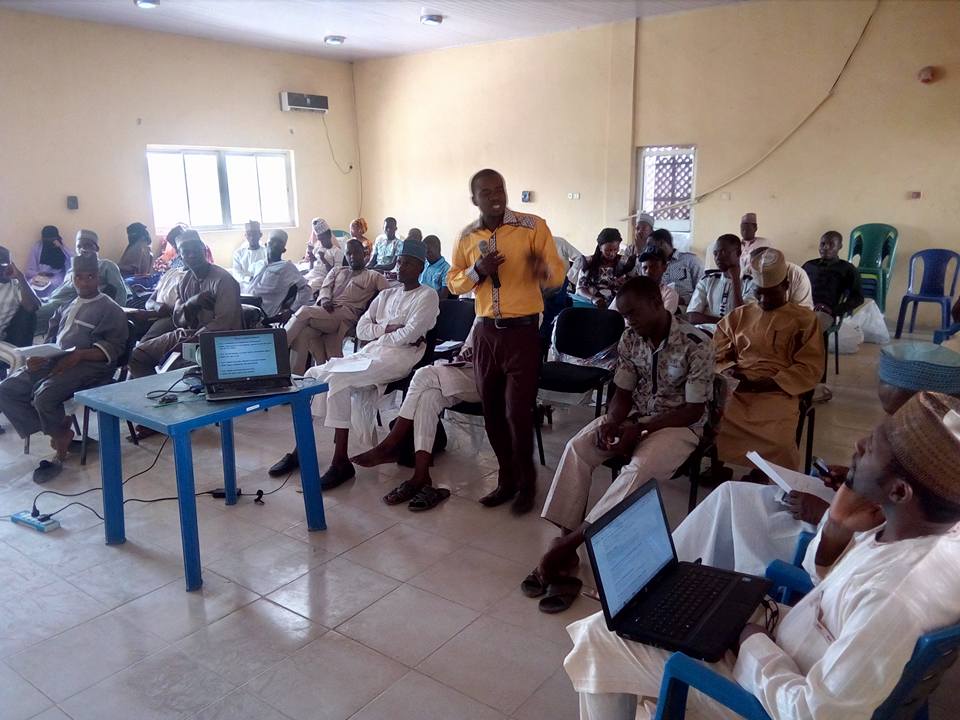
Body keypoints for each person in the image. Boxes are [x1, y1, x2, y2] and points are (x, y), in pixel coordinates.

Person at [565, 391, 960, 720]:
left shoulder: (895, 598)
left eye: (872, 447)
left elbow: (813, 713)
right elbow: (840, 593)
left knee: (600, 635)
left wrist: (751, 639)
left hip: (766, 694)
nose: (857, 446)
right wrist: (837, 525)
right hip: (785, 645)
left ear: (899, 492)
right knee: (664, 607)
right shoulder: (929, 537)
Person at [673, 340, 960, 577]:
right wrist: (860, 477)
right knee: (731, 495)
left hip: (845, 542)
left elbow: (898, 544)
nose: (888, 423)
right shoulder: (941, 441)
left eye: (896, 417)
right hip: (855, 514)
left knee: (742, 515)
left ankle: (703, 581)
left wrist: (826, 514)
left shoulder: (946, 472)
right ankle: (678, 570)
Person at [525, 277, 713, 612]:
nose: (630, 322)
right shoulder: (630, 338)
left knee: (636, 471)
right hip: (635, 418)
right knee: (578, 447)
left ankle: (569, 544)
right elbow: (622, 394)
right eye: (625, 316)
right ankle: (568, 547)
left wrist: (640, 430)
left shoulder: (695, 343)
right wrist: (612, 421)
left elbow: (693, 410)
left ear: (658, 302)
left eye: (634, 314)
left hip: (678, 426)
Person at [268, 238, 439, 485]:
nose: (401, 268)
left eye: (408, 264)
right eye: (399, 262)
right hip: (372, 352)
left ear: (420, 268)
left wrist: (384, 332)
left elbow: (409, 336)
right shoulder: (387, 294)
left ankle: (341, 463)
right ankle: (301, 450)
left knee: (338, 380)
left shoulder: (427, 296)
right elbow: (361, 329)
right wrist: (388, 328)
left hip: (399, 358)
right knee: (314, 374)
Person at [447, 168, 566, 513]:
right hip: (485, 332)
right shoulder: (467, 236)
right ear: (475, 199)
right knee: (493, 412)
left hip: (523, 333)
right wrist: (477, 271)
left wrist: (542, 270)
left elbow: (558, 272)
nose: (496, 195)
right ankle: (506, 479)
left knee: (518, 412)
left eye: (499, 188)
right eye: (486, 192)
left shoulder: (532, 226)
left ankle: (527, 485)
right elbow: (454, 282)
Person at [0, 254, 128, 482]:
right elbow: (53, 339)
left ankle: (59, 438)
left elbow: (113, 349)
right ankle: (59, 431)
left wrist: (79, 355)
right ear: (73, 279)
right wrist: (39, 355)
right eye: (78, 277)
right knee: (7, 389)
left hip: (93, 364)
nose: (84, 282)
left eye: (90, 277)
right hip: (58, 359)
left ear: (98, 278)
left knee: (44, 396)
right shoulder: (69, 305)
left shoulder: (110, 309)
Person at [715, 249, 823, 472]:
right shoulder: (739, 316)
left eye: (771, 293)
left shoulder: (804, 319)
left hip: (780, 390)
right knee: (714, 425)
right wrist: (731, 372)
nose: (763, 300)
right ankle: (717, 466)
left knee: (779, 442)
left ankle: (765, 475)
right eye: (759, 293)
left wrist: (770, 383)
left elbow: (810, 366)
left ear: (785, 286)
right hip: (739, 387)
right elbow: (716, 353)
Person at [352, 323, 481, 510]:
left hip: (490, 379)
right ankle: (421, 476)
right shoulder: (483, 306)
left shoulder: (524, 307)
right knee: (427, 397)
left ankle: (390, 443)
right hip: (466, 371)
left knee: (423, 374)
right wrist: (463, 354)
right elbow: (469, 345)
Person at [128, 231, 242, 378]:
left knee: (174, 367)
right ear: (180, 256)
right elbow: (178, 320)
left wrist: (191, 340)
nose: (192, 255)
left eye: (195, 249)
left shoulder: (223, 280)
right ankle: (154, 395)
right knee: (137, 356)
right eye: (186, 251)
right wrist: (192, 303)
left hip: (218, 342)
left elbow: (224, 324)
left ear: (203, 249)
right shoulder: (184, 280)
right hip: (187, 335)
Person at [284, 239, 389, 375]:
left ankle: (276, 349)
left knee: (304, 311)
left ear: (364, 253)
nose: (352, 257)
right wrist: (325, 299)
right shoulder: (337, 271)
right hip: (326, 312)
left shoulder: (373, 276)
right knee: (303, 334)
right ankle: (295, 379)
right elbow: (325, 287)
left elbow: (388, 296)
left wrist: (374, 320)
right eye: (348, 253)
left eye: (356, 253)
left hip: (346, 315)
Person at [37, 230, 127, 328]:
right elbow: (61, 292)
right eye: (79, 246)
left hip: (65, 306)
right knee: (23, 304)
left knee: (31, 313)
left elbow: (120, 292)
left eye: (87, 245)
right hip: (50, 300)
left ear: (96, 248)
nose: (83, 249)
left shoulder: (106, 265)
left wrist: (115, 317)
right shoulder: (72, 270)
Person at [687, 234, 755, 328]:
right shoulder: (707, 280)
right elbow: (692, 317)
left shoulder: (751, 284)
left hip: (732, 338)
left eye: (723, 252)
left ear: (738, 253)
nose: (718, 257)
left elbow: (742, 320)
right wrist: (727, 323)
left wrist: (735, 281)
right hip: (703, 334)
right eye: (715, 253)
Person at [802, 230, 865, 330]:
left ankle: (814, 345)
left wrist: (834, 310)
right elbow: (797, 286)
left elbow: (858, 298)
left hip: (826, 312)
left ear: (840, 246)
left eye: (831, 244)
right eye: (822, 244)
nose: (825, 247)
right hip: (803, 308)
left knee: (813, 325)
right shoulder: (809, 265)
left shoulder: (847, 269)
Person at [246, 230, 312, 319]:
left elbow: (306, 289)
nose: (275, 245)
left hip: (264, 314)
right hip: (246, 304)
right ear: (266, 245)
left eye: (279, 243)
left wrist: (291, 311)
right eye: (272, 241)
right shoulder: (258, 264)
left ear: (283, 250)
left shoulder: (287, 267)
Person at [745, 240, 814, 309]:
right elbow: (749, 305)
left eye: (772, 294)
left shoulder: (797, 275)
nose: (764, 300)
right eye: (759, 293)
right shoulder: (753, 272)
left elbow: (803, 313)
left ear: (786, 285)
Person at [576, 228, 634, 310]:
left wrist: (624, 282)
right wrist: (594, 299)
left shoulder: (625, 263)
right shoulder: (589, 262)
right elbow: (580, 288)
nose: (612, 253)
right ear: (600, 248)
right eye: (608, 250)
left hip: (617, 307)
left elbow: (633, 285)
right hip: (591, 305)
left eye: (616, 249)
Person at [0, 245, 42, 357]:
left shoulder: (15, 286)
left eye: (5, 264)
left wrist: (20, 277)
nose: (3, 268)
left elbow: (33, 306)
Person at [647, 228, 702, 308]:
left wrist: (683, 300)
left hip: (684, 310)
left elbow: (701, 290)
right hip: (658, 308)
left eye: (650, 245)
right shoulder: (651, 265)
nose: (648, 249)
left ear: (661, 243)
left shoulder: (690, 260)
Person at [24, 225, 72, 299]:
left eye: (52, 240)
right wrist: (39, 274)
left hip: (56, 276)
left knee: (54, 284)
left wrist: (61, 247)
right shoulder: (37, 247)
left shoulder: (62, 248)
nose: (49, 242)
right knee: (29, 285)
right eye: (47, 240)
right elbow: (29, 271)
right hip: (39, 275)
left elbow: (72, 262)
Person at [303, 218, 344, 289]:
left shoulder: (337, 251)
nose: (321, 242)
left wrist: (323, 260)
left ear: (329, 236)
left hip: (323, 278)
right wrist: (312, 261)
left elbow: (336, 274)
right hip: (312, 274)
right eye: (319, 239)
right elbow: (312, 269)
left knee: (308, 288)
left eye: (323, 239)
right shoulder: (318, 248)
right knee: (297, 284)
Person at [636, 247, 680, 314]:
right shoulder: (632, 290)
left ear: (664, 268)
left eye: (653, 267)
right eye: (644, 268)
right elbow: (614, 311)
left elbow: (661, 321)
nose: (648, 271)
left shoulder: (669, 294)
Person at [231, 220, 268, 292]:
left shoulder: (266, 251)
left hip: (263, 288)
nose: (252, 237)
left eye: (254, 234)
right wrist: (248, 278)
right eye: (249, 234)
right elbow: (236, 273)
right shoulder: (238, 253)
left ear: (260, 235)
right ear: (245, 236)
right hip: (244, 289)